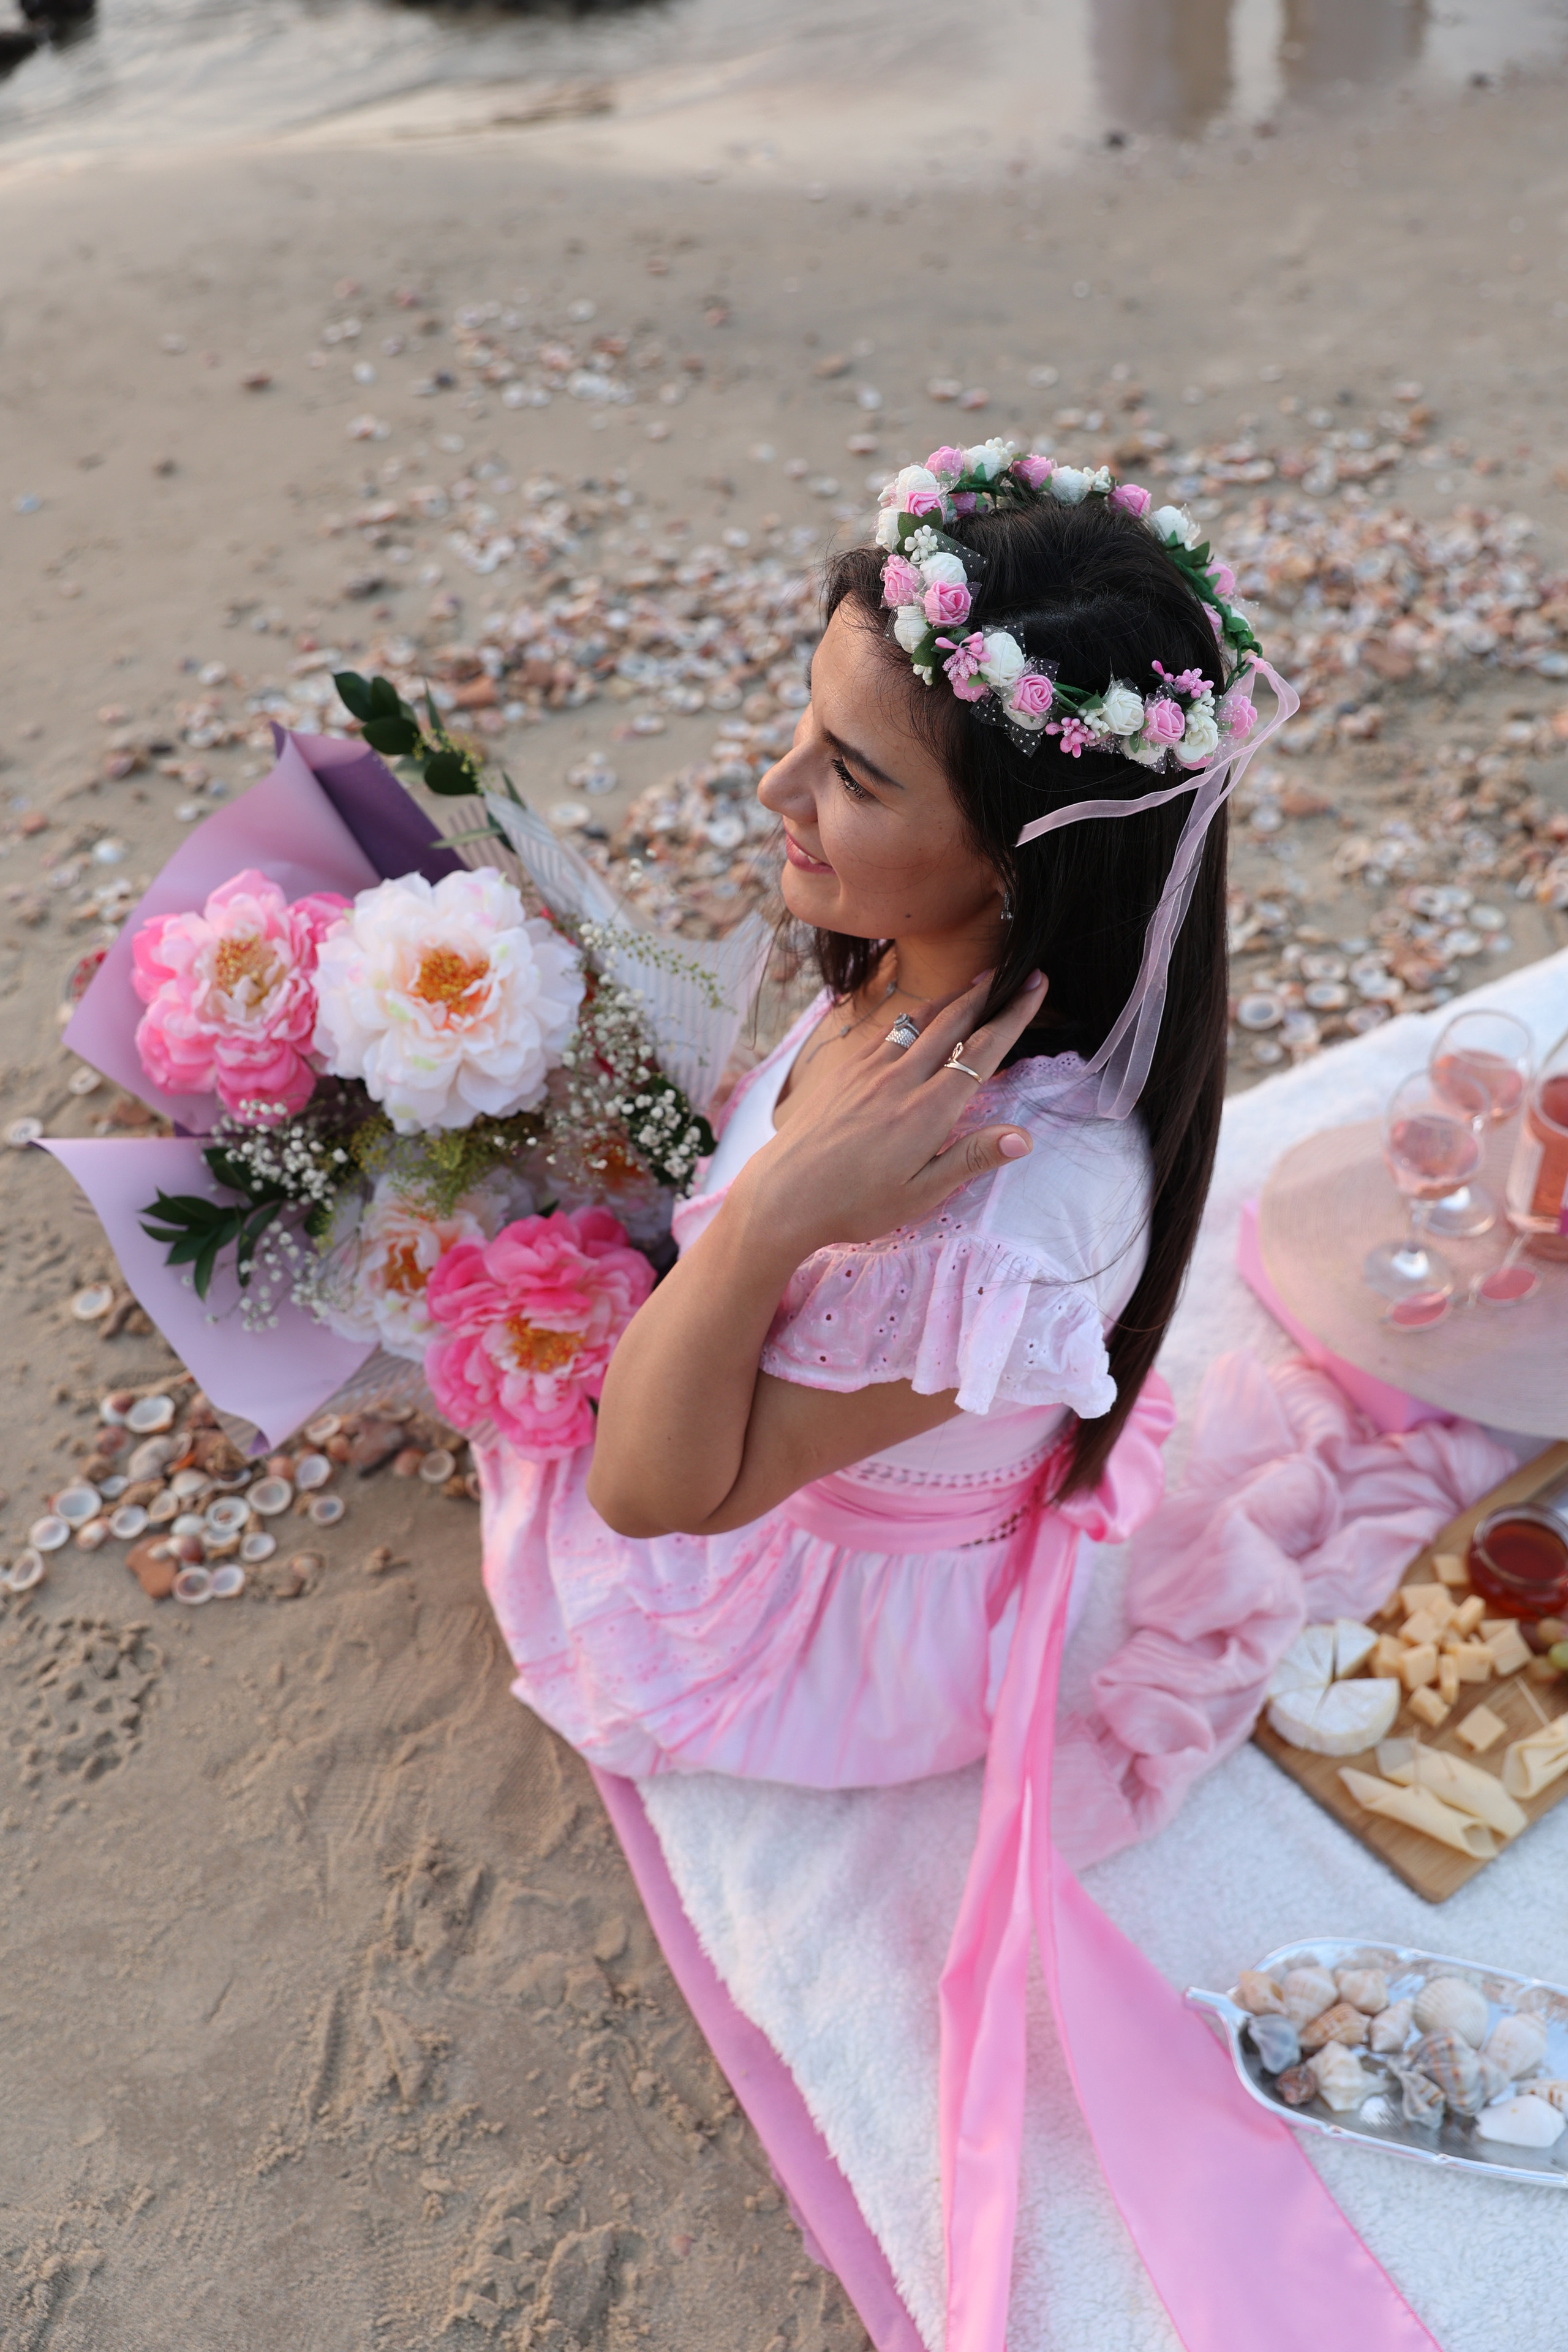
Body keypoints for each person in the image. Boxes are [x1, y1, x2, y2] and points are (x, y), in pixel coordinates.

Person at [475, 448, 1327, 2352]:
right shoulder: (941, 974)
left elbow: (651, 1491)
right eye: (806, 726)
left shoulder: (1004, 1212)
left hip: (808, 1613)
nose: (775, 788)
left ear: (1031, 852)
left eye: (852, 776)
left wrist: (767, 1217)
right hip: (797, 1419)